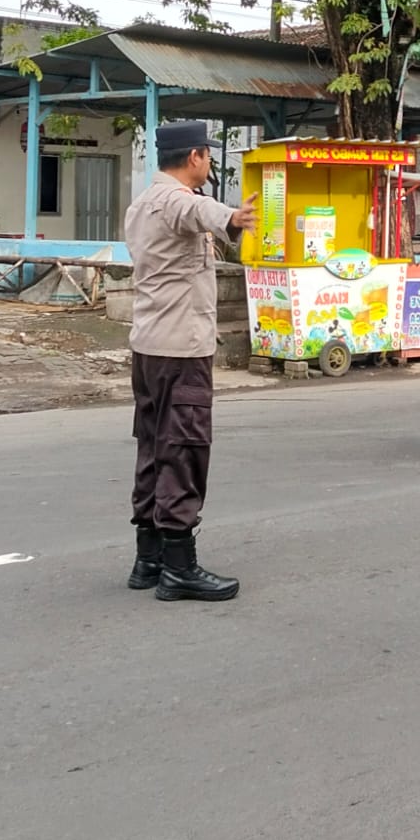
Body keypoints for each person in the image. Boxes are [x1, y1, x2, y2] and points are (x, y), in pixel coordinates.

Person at [124, 121, 258, 601]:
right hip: (180, 350)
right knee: (184, 449)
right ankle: (180, 567)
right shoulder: (176, 201)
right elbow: (196, 209)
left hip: (149, 347)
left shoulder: (142, 203)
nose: (209, 163)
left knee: (154, 447)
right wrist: (233, 217)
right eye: (207, 155)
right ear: (195, 156)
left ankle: (149, 558)